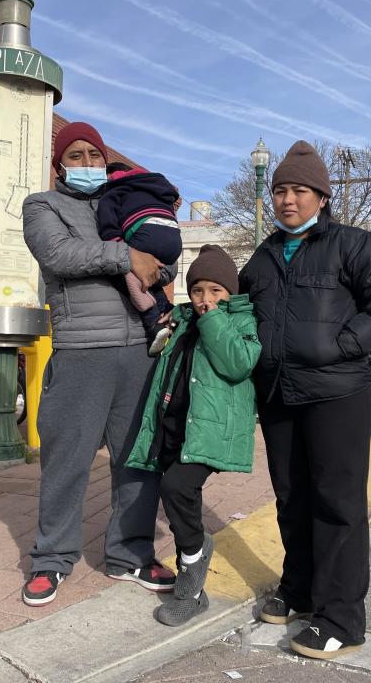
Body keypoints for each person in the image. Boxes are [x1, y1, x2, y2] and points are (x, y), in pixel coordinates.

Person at [239, 140, 371, 660]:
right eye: (280, 191)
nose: (288, 200)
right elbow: (242, 314)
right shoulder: (262, 258)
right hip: (279, 396)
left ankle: (340, 617)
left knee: (337, 505)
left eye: (299, 190)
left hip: (338, 395)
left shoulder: (355, 245)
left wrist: (344, 345)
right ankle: (299, 590)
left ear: (321, 196)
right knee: (292, 499)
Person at [21, 121, 177, 607]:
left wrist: (152, 259)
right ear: (59, 164)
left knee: (138, 460)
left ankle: (129, 553)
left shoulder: (124, 199)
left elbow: (163, 260)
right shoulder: (43, 206)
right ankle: (52, 558)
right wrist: (127, 254)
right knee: (67, 461)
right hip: (81, 351)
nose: (88, 164)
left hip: (139, 351)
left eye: (95, 157)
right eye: (77, 155)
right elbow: (59, 253)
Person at [126, 244, 260, 626]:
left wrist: (214, 319)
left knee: (177, 489)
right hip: (174, 426)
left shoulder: (242, 322)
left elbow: (238, 364)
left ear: (230, 293)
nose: (206, 299)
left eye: (216, 291)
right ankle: (195, 550)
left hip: (208, 431)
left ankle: (192, 581)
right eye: (198, 290)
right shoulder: (182, 318)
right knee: (178, 495)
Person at [97, 164, 181, 354]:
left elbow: (108, 224)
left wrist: (119, 246)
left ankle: (152, 321)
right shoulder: (155, 187)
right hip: (174, 241)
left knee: (124, 272)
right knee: (149, 276)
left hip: (147, 236)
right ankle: (167, 311)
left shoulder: (115, 189)